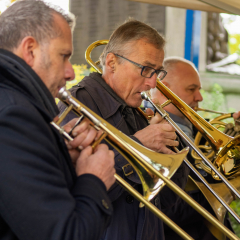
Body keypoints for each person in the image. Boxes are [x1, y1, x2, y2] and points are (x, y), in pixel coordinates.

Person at [58, 19, 191, 240]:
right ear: (111, 62)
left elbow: (166, 202)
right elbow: (75, 193)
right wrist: (138, 145)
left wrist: (171, 147)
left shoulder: (136, 109)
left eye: (158, 72)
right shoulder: (78, 103)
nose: (153, 83)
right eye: (146, 69)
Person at [0, 1, 116, 239]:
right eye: (64, 56)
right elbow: (66, 234)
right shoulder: (13, 116)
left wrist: (63, 159)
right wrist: (94, 180)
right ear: (30, 50)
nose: (70, 72)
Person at [150, 56, 234, 240]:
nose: (200, 97)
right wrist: (226, 188)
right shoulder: (150, 134)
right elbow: (167, 210)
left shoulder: (198, 129)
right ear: (164, 90)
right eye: (191, 89)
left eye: (199, 89)